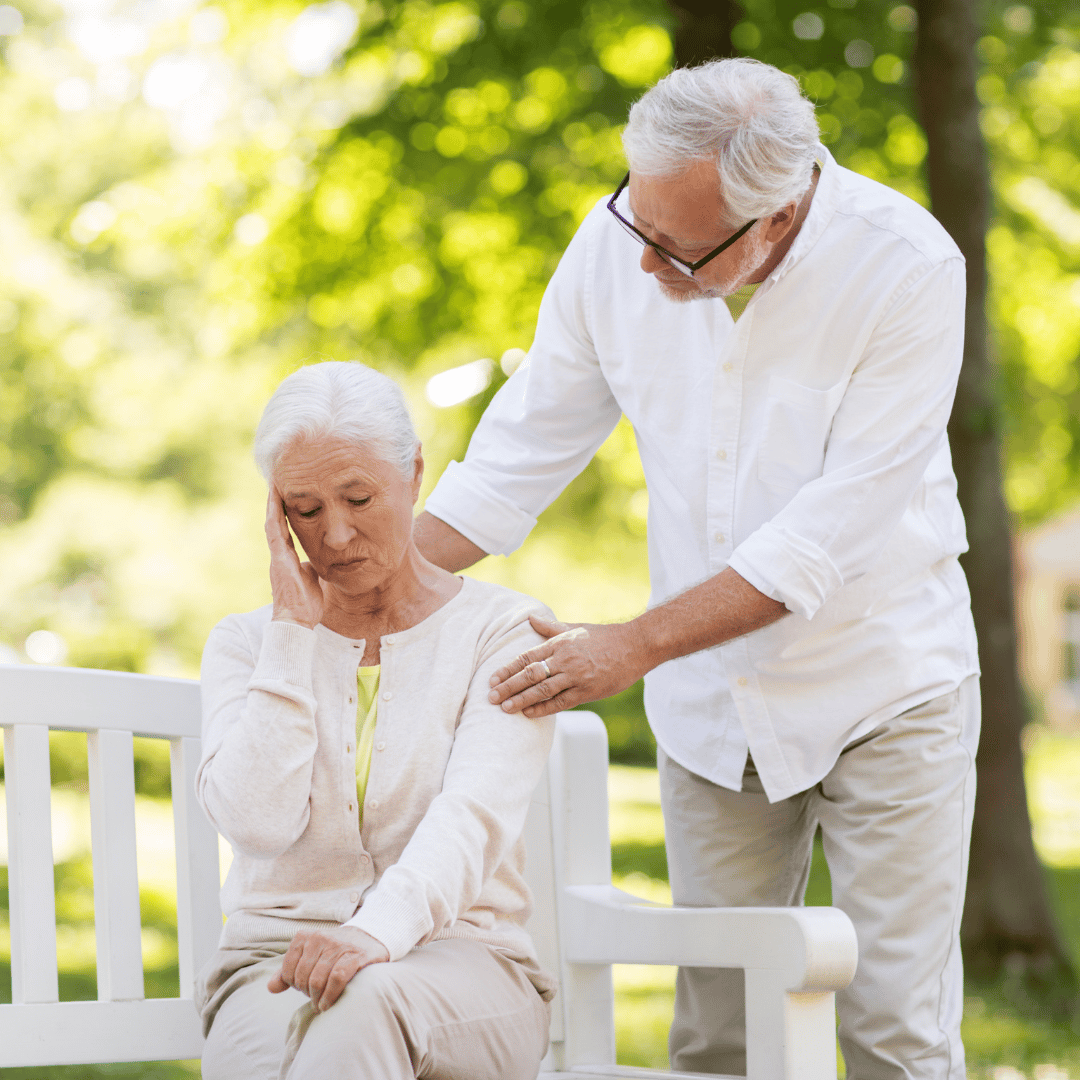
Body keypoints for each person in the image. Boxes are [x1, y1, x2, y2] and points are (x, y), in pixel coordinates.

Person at [413, 58, 980, 1080]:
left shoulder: (907, 268)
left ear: (775, 216)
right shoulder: (616, 242)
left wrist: (631, 646)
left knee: (893, 1028)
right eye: (635, 219)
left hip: (885, 684)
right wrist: (363, 581)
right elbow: (516, 455)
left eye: (675, 244)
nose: (641, 260)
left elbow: (829, 532)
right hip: (712, 706)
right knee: (720, 1036)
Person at [195, 360, 555, 1080]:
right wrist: (293, 633)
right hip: (272, 962)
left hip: (465, 964)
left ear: (415, 473)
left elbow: (471, 819)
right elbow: (257, 824)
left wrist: (369, 936)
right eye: (304, 508)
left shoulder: (502, 633)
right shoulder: (246, 643)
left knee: (365, 1003)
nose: (333, 535)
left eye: (359, 497)